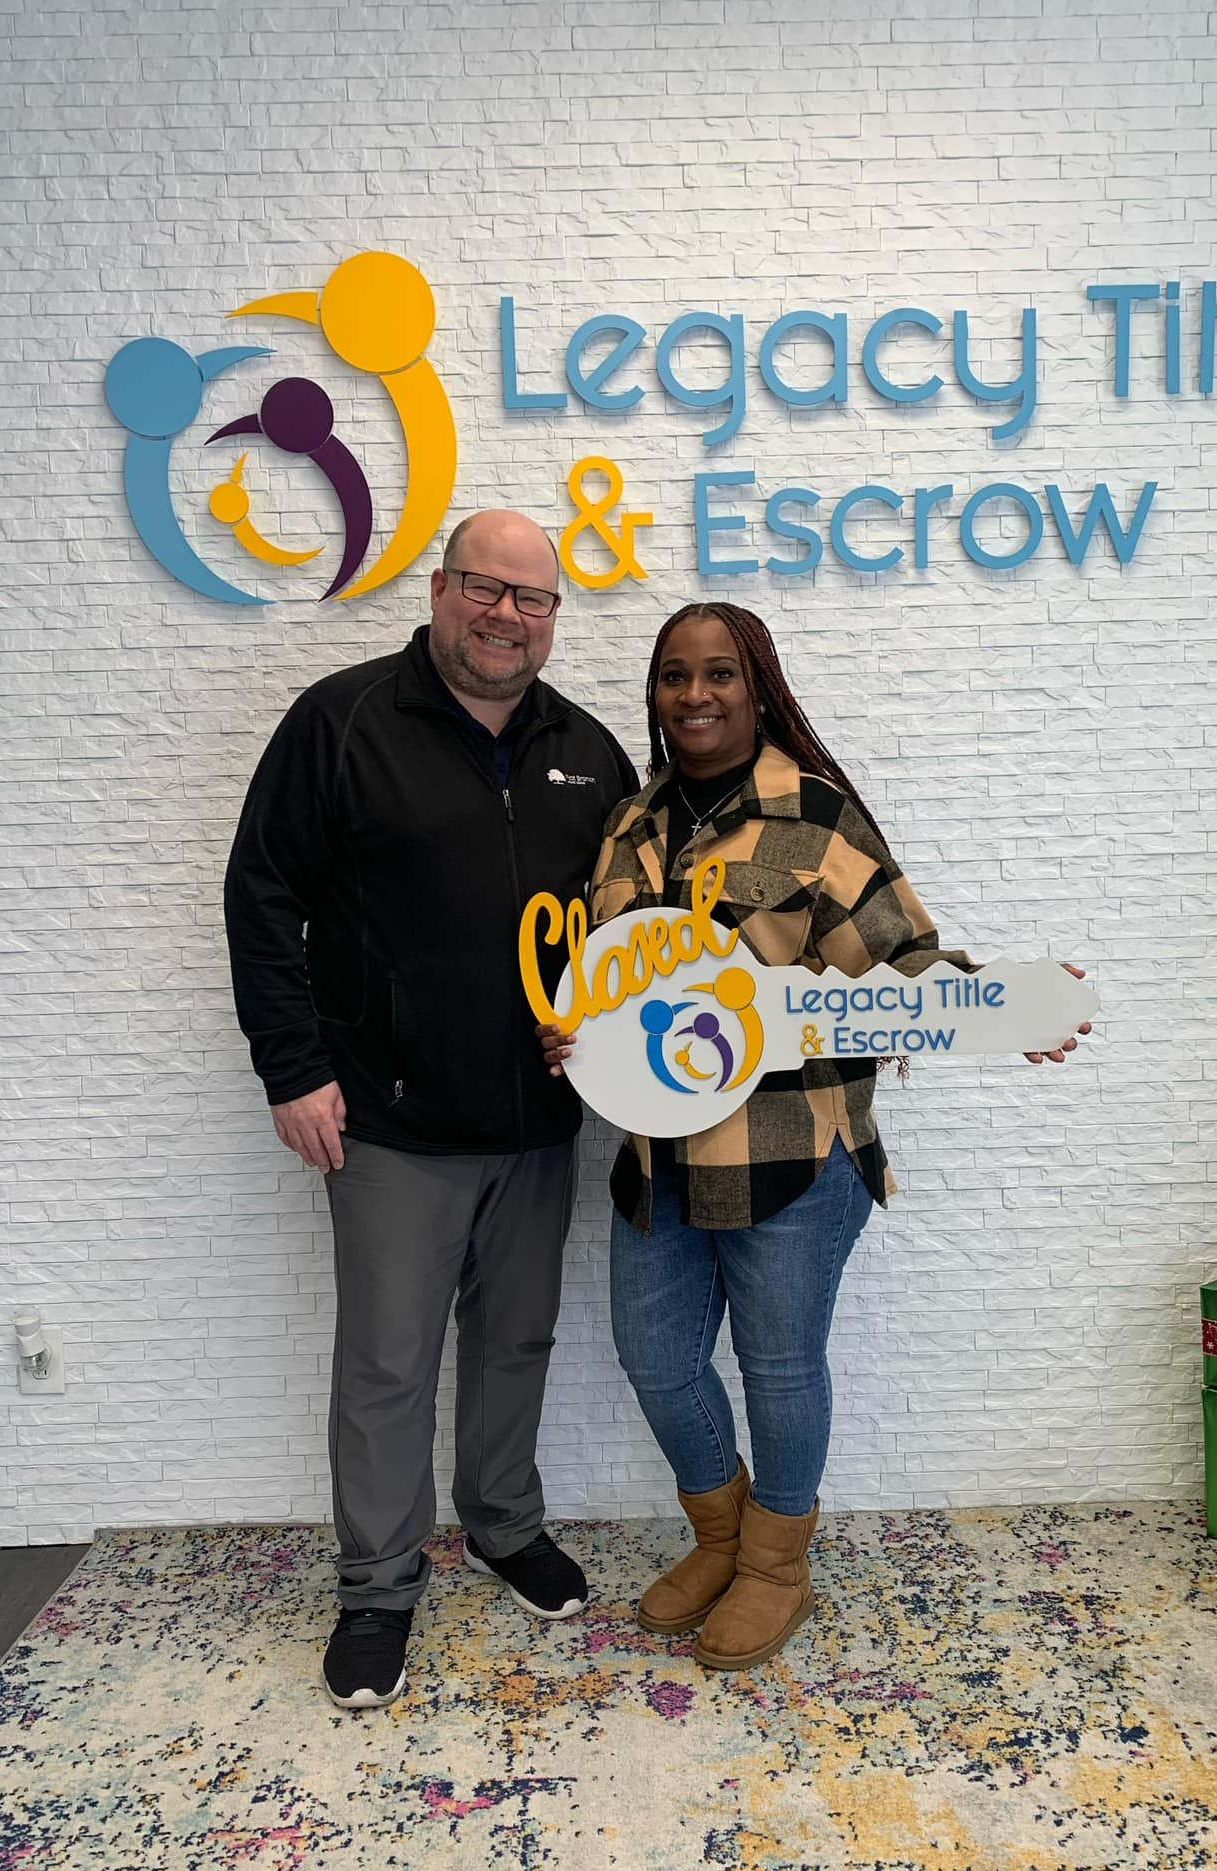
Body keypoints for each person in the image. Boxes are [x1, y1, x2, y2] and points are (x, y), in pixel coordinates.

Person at [540, 602, 1089, 1672]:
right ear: (653, 693)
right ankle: (726, 1539)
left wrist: (1000, 1010)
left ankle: (778, 1569)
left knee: (779, 1366)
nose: (694, 695)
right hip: (661, 1159)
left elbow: (904, 952)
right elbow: (605, 981)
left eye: (720, 675)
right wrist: (573, 1032)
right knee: (655, 1355)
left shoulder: (817, 817)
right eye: (673, 676)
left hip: (793, 1150)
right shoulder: (628, 823)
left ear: (758, 687)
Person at [224, 510, 637, 1710]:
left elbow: (638, 935)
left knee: (517, 1341)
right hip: (393, 1125)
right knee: (390, 1363)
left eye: (534, 599)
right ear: (442, 588)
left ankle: (505, 1525)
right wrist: (291, 1065)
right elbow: (263, 894)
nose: (507, 615)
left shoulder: (592, 751)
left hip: (540, 1126)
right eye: (485, 588)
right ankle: (377, 1585)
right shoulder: (342, 720)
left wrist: (628, 1051)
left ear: (556, 617)